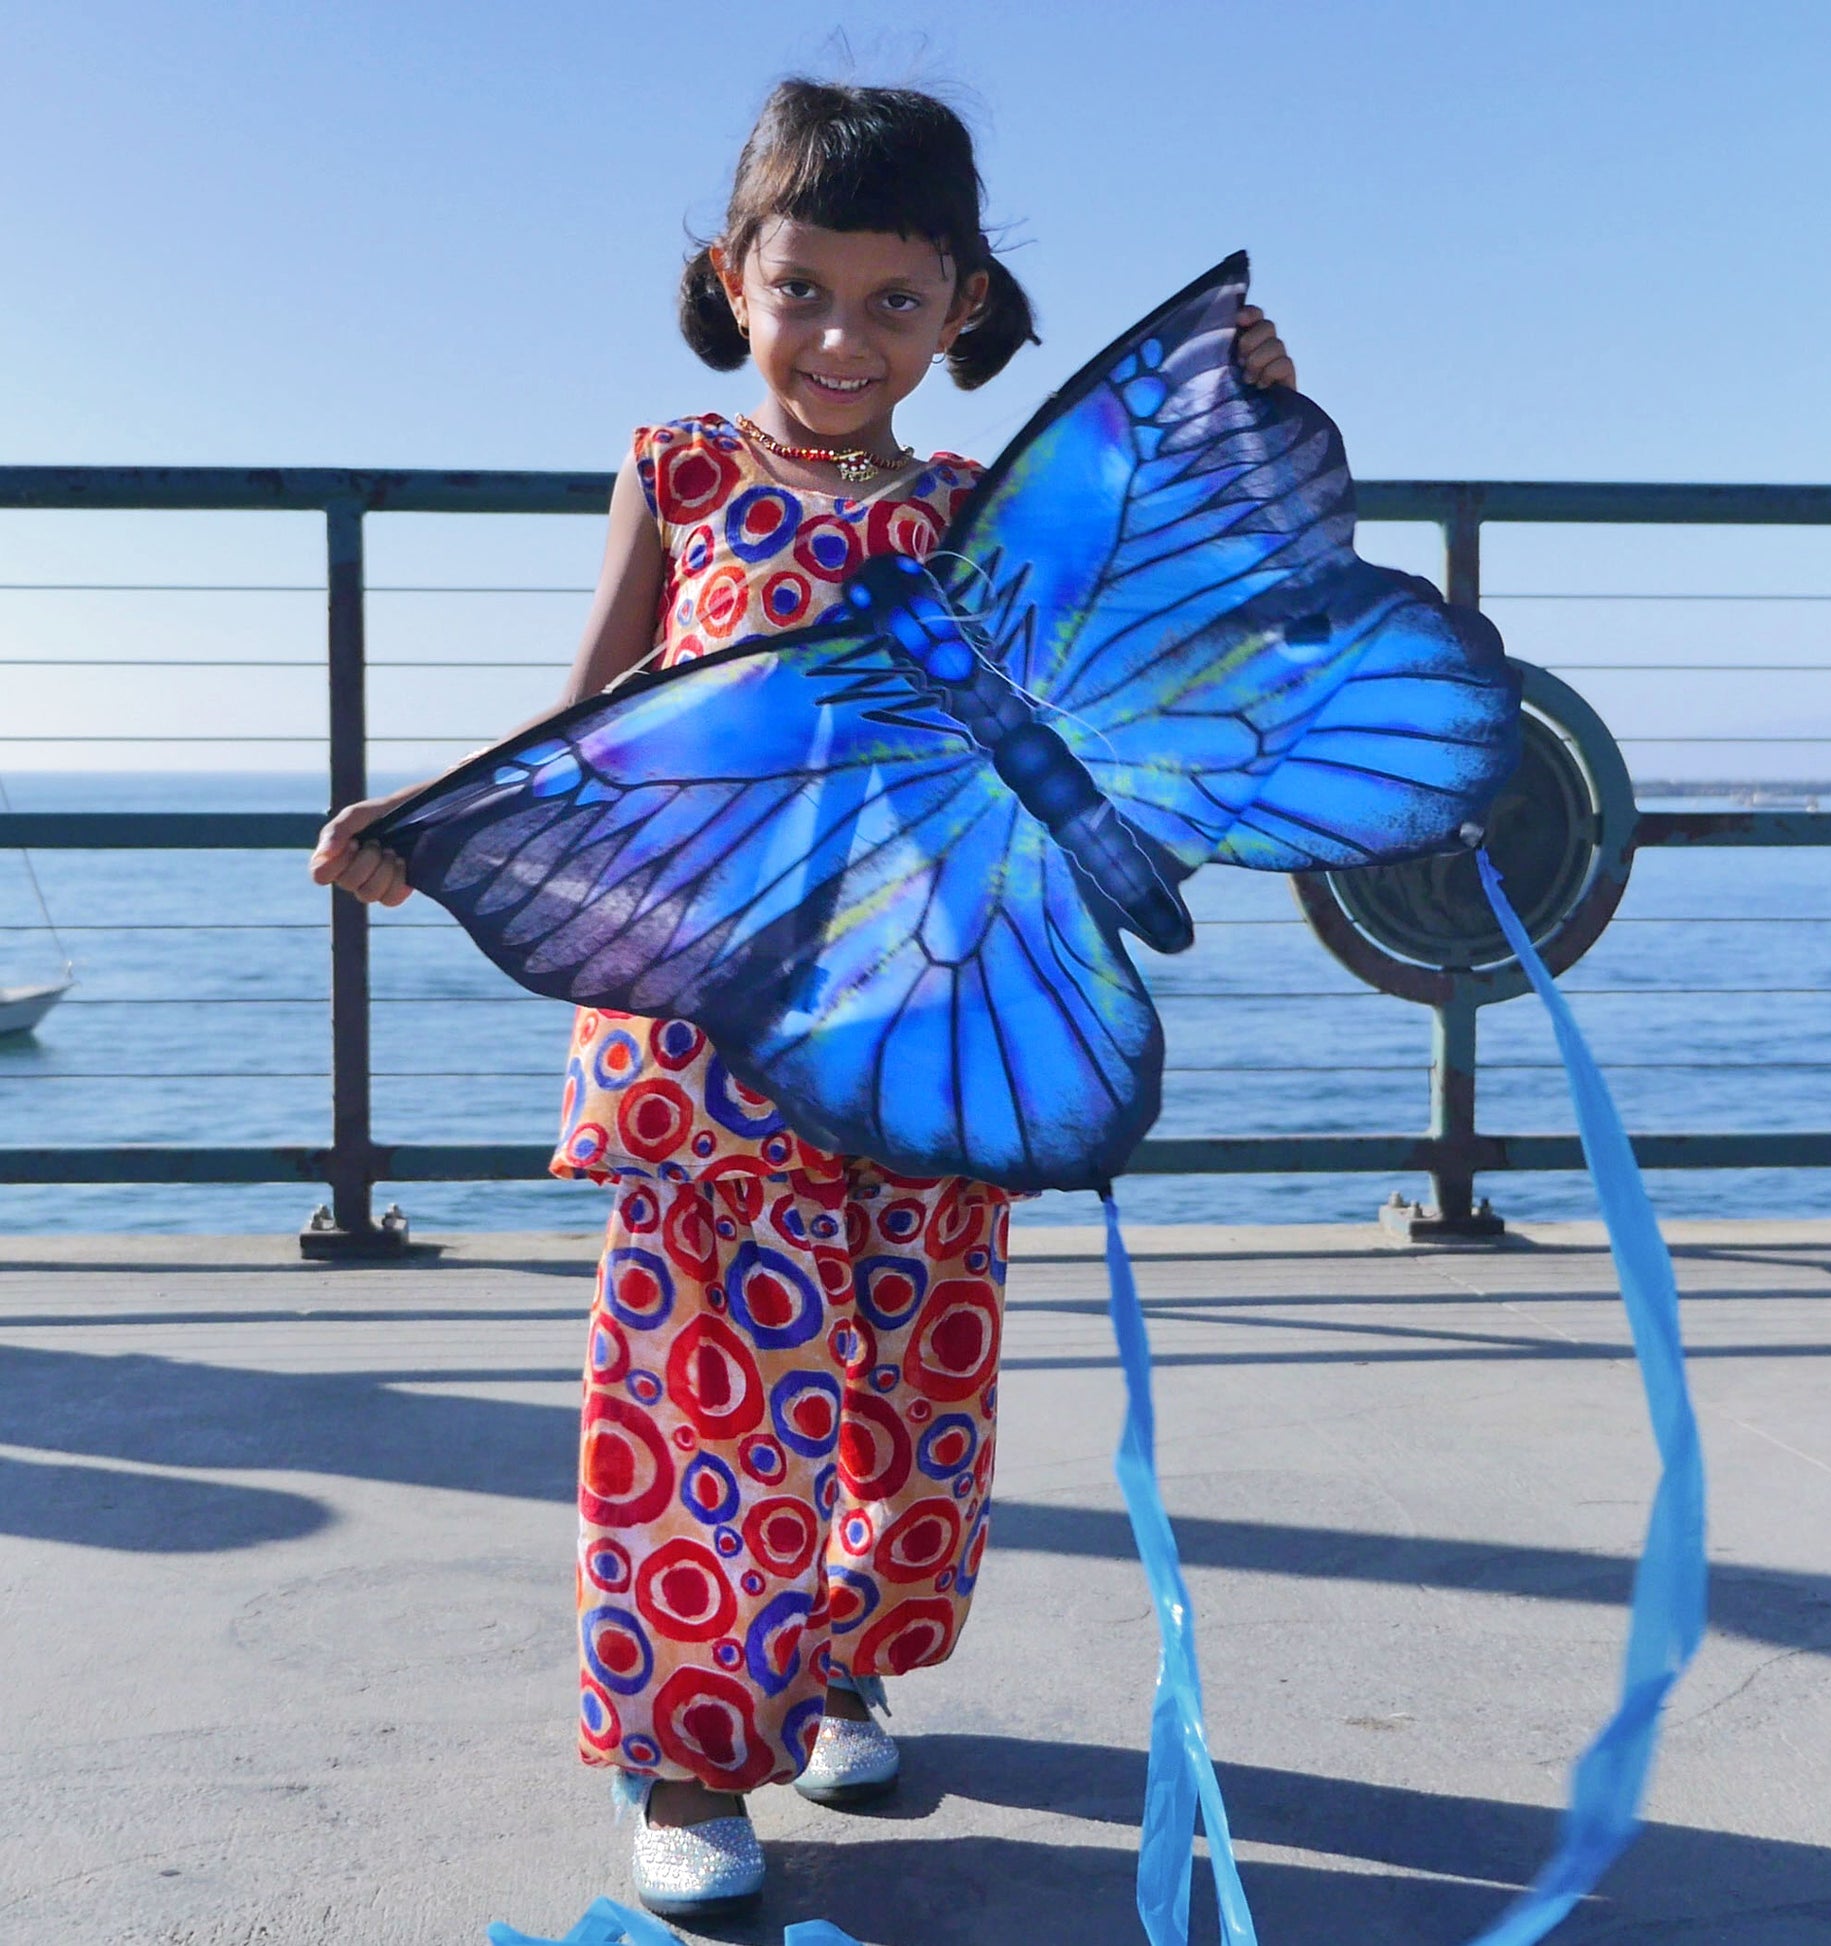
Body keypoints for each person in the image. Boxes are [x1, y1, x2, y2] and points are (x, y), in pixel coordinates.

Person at [311, 76, 1297, 1923]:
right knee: (709, 1392)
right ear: (730, 279)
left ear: (969, 309)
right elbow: (589, 720)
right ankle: (685, 1751)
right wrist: (427, 823)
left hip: (934, 1011)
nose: (844, 337)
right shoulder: (677, 470)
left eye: (896, 302)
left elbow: (1177, 595)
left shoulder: (973, 508)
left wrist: (1236, 397)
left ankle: (828, 1661)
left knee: (913, 1381)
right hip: (706, 1016)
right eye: (804, 292)